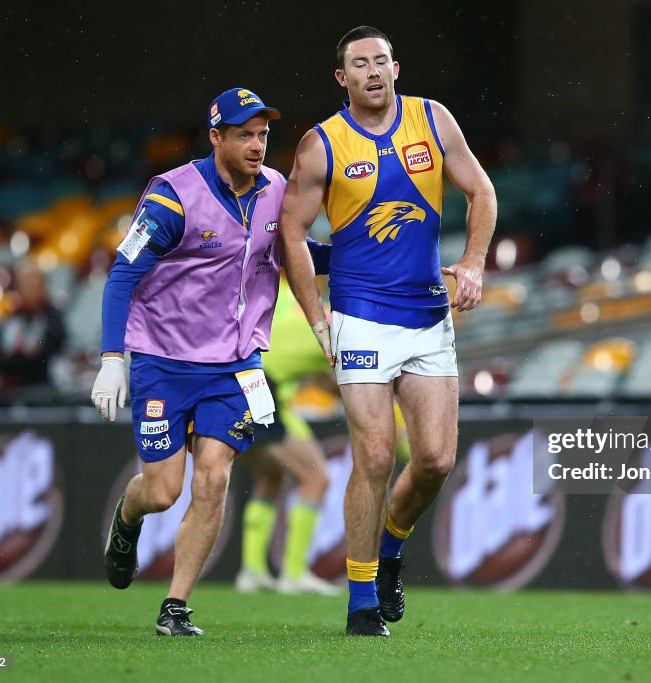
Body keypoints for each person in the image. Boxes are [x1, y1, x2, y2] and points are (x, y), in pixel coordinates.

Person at [279, 26, 497, 636]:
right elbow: (290, 233)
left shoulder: (432, 120)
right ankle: (360, 601)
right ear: (341, 78)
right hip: (360, 313)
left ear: (396, 69)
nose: (372, 71)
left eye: (381, 61)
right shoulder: (322, 144)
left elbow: (481, 191)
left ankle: (391, 551)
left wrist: (475, 262)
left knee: (434, 460)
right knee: (374, 454)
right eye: (359, 64)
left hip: (429, 315)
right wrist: (316, 316)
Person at [91, 87, 330, 637]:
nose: (257, 144)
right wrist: (111, 358)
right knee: (162, 490)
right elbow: (124, 273)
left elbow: (300, 252)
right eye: (244, 134)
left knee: (215, 479)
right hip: (164, 361)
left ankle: (176, 606)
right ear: (216, 137)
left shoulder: (276, 190)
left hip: (235, 365)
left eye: (264, 134)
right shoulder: (173, 198)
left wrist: (375, 258)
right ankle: (127, 522)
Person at [235, 275, 342, 596]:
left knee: (269, 477)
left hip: (244, 380)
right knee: (316, 479)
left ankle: (252, 571)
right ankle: (294, 573)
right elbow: (346, 382)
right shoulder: (336, 327)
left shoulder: (285, 302)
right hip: (262, 388)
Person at [0, 260, 67, 401]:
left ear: (44, 287)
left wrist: (12, 358)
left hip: (43, 391)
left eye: (34, 284)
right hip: (9, 392)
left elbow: (47, 356)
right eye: (25, 284)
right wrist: (26, 356)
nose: (30, 289)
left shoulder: (52, 318)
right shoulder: (10, 318)